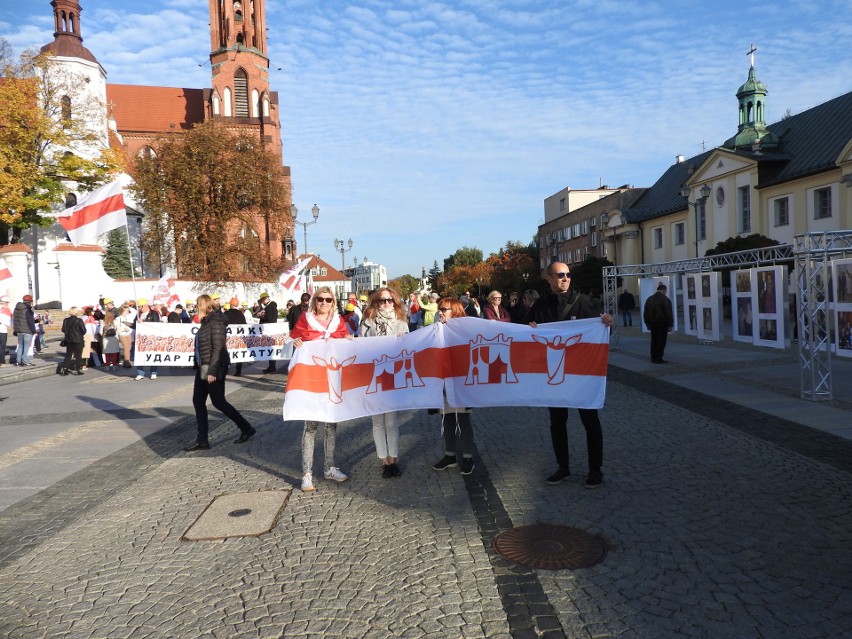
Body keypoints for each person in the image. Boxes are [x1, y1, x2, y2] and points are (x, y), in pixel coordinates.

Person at [529, 261, 613, 489]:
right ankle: (563, 468)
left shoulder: (585, 302)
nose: (565, 278)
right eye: (560, 275)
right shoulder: (540, 306)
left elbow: (602, 332)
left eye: (568, 274)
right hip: (554, 377)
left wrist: (606, 324)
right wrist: (530, 328)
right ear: (549, 278)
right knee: (557, 423)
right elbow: (525, 336)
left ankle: (595, 470)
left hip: (581, 375)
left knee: (590, 422)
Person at [289, 286, 352, 492]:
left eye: (328, 300)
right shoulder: (305, 320)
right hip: (311, 380)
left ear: (333, 303)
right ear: (314, 301)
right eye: (320, 299)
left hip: (332, 380)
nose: (324, 303)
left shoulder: (339, 322)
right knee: (310, 426)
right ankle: (306, 473)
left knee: (331, 425)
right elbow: (291, 339)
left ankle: (329, 468)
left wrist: (349, 341)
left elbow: (345, 344)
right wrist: (295, 342)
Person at [184, 294, 256, 451]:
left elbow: (218, 347)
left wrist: (212, 371)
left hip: (212, 367)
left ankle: (246, 428)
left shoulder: (215, 320)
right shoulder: (207, 321)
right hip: (203, 366)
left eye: (197, 305)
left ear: (203, 305)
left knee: (219, 402)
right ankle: (202, 439)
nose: (196, 308)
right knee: (198, 401)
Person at [359, 288, 409, 478]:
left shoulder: (401, 323)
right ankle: (384, 460)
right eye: (381, 300)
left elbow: (407, 349)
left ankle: (394, 458)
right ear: (375, 302)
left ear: (394, 302)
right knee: (378, 422)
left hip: (393, 375)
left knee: (392, 422)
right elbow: (360, 345)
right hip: (373, 374)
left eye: (389, 300)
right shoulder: (367, 321)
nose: (385, 303)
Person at [431, 297, 477, 475]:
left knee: (463, 419)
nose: (441, 312)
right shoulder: (436, 328)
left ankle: (467, 457)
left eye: (445, 309)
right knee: (447, 418)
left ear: (455, 311)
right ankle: (449, 455)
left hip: (460, 380)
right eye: (440, 309)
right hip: (442, 379)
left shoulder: (465, 330)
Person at [643, 283, 674, 364]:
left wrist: (647, 324)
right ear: (664, 290)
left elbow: (645, 313)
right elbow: (668, 313)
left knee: (654, 340)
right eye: (665, 291)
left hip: (653, 324)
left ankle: (653, 357)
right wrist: (670, 324)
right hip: (662, 323)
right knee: (661, 341)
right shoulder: (665, 299)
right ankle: (658, 358)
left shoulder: (649, 299)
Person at [134, 298, 161, 380]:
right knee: (139, 355)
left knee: (152, 354)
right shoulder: (138, 314)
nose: (138, 308)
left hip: (151, 338)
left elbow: (156, 325)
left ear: (145, 306)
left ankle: (153, 372)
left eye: (139, 307)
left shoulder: (154, 313)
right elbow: (134, 324)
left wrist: (144, 321)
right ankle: (140, 373)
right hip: (140, 338)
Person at [254, 292, 278, 373]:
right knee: (269, 348)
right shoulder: (270, 306)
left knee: (269, 348)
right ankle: (272, 366)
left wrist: (261, 316)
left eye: (262, 300)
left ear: (264, 299)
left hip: (269, 330)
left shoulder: (269, 307)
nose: (261, 302)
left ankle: (272, 366)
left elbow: (269, 318)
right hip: (270, 329)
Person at [60, 306, 87, 375]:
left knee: (68, 355)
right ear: (76, 312)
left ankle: (64, 369)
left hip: (69, 340)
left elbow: (63, 330)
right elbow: (84, 330)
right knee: (78, 355)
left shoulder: (66, 320)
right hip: (78, 340)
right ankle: (77, 370)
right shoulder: (79, 320)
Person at [223, 297, 246, 376]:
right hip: (239, 337)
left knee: (227, 352)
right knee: (239, 352)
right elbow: (244, 326)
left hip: (228, 337)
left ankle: (226, 368)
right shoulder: (241, 314)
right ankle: (238, 370)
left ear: (230, 305)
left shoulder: (226, 313)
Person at [13, 294, 36, 367]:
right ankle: (24, 361)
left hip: (19, 330)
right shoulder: (28, 309)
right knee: (26, 347)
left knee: (20, 346)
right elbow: (30, 321)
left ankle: (18, 361)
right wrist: (34, 331)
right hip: (27, 331)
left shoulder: (16, 309)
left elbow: (15, 320)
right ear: (29, 302)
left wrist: (15, 330)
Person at [101, 305, 122, 370]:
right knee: (114, 352)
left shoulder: (103, 322)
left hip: (106, 338)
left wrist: (104, 335)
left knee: (107, 353)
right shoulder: (115, 321)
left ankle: (107, 365)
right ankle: (114, 365)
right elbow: (119, 329)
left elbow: (100, 331)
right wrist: (116, 334)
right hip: (114, 338)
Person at [117, 304, 134, 368]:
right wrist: (123, 329)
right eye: (126, 310)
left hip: (128, 334)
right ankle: (127, 361)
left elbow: (130, 325)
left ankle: (126, 361)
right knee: (126, 347)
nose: (128, 311)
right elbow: (117, 327)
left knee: (128, 348)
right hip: (122, 334)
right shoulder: (118, 318)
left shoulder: (126, 317)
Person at [0, 295, 11, 366]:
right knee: (2, 347)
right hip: (3, 330)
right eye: (7, 302)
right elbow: (8, 322)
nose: (7, 304)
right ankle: (2, 362)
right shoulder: (6, 310)